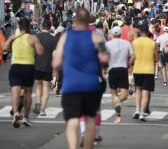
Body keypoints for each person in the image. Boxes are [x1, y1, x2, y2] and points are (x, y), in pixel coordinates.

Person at [52, 8, 109, 149]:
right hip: (91, 84)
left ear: (75, 21)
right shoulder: (96, 37)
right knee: (90, 119)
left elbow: (56, 62)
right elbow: (105, 56)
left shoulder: (65, 37)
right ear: (89, 20)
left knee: (72, 121)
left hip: (71, 85)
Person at [2, 18, 44, 128]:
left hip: (15, 66)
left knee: (15, 93)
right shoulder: (32, 38)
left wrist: (12, 42)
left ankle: (16, 113)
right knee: (27, 93)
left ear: (19, 27)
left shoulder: (14, 37)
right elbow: (40, 52)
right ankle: (26, 117)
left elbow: (4, 48)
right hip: (28, 67)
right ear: (28, 26)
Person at [106, 26, 134, 123]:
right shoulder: (126, 43)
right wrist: (129, 64)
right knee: (124, 94)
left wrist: (104, 68)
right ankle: (118, 102)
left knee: (113, 92)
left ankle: (118, 115)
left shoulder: (108, 44)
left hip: (112, 69)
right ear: (120, 34)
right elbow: (133, 55)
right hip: (123, 69)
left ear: (112, 34)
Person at [131, 24, 158, 121]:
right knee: (146, 91)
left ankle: (137, 109)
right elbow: (156, 58)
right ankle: (142, 112)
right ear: (147, 31)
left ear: (139, 31)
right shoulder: (153, 43)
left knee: (138, 89)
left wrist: (129, 63)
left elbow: (133, 56)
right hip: (149, 70)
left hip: (137, 69)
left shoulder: (134, 42)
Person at [33, 19, 57, 116]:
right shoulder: (53, 39)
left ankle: (38, 101)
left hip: (36, 65)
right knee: (46, 87)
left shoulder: (36, 37)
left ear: (42, 26)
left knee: (38, 85)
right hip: (47, 66)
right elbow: (55, 55)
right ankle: (42, 109)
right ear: (50, 27)